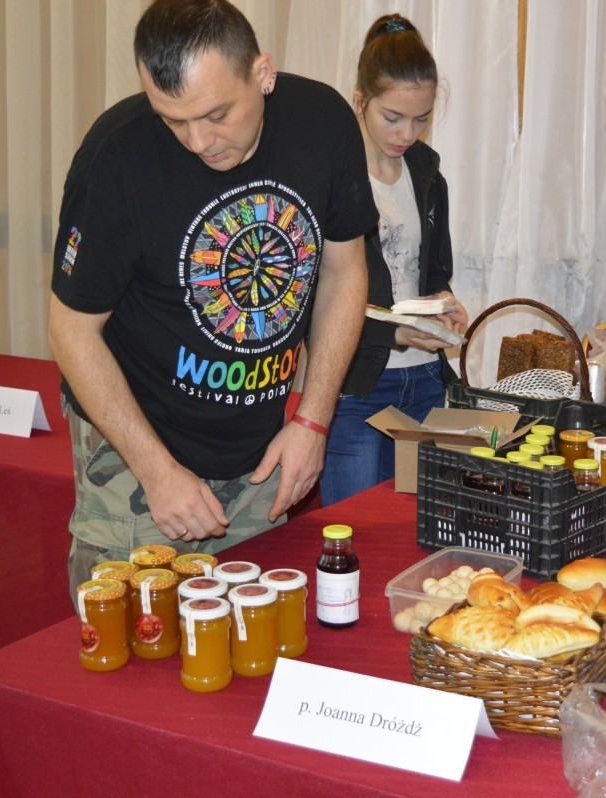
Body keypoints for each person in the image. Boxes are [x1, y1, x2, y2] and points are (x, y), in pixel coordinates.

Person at [48, 0, 377, 592]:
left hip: (256, 447)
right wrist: (156, 472)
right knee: (135, 631)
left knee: (249, 624)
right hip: (137, 442)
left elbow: (343, 272)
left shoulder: (323, 124)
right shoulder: (116, 158)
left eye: (216, 114)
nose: (199, 141)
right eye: (173, 120)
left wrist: (313, 420)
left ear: (263, 74)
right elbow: (71, 329)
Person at [318, 14, 467, 506]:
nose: (408, 133)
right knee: (353, 528)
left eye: (422, 118)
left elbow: (435, 272)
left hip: (425, 380)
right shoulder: (332, 180)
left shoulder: (428, 175)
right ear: (359, 101)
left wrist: (444, 306)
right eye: (393, 117)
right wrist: (394, 334)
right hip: (358, 384)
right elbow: (318, 298)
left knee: (413, 529)